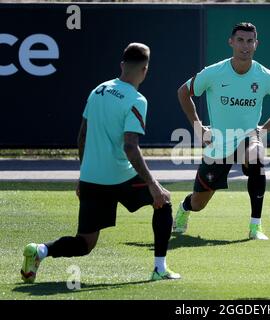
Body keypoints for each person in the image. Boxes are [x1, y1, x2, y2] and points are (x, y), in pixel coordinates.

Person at [20, 43, 180, 283]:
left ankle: (40, 250)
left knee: (84, 243)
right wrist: (153, 184)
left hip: (92, 178)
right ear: (145, 70)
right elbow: (130, 146)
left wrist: (83, 176)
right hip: (121, 176)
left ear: (122, 65)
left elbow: (81, 136)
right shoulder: (137, 99)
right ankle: (159, 268)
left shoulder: (99, 90)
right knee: (163, 201)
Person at [174, 22, 270, 240]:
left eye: (250, 41)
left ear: (256, 44)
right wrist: (198, 127)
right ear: (231, 42)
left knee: (256, 159)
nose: (245, 46)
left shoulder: (265, 76)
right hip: (218, 143)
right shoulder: (214, 72)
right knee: (198, 203)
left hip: (248, 138)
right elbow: (183, 92)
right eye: (240, 40)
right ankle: (184, 208)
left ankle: (255, 226)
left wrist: (264, 129)